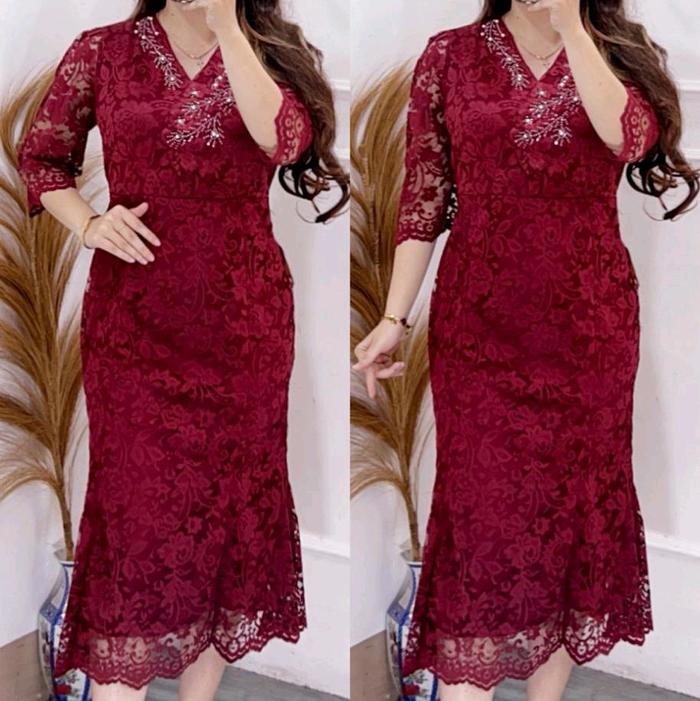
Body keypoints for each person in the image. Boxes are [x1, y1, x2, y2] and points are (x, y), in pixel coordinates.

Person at [353, 1, 698, 699]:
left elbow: (630, 140)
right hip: (481, 330)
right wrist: (393, 316)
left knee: (571, 521)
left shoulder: (616, 51)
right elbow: (424, 200)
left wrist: (574, 29)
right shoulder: (450, 55)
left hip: (589, 331)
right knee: (482, 526)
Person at [17, 1, 347, 699]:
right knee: (134, 522)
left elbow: (285, 143)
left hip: (244, 329)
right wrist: (89, 224)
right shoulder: (103, 50)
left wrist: (228, 27)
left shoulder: (266, 49)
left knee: (226, 515)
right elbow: (42, 158)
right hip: (134, 325)